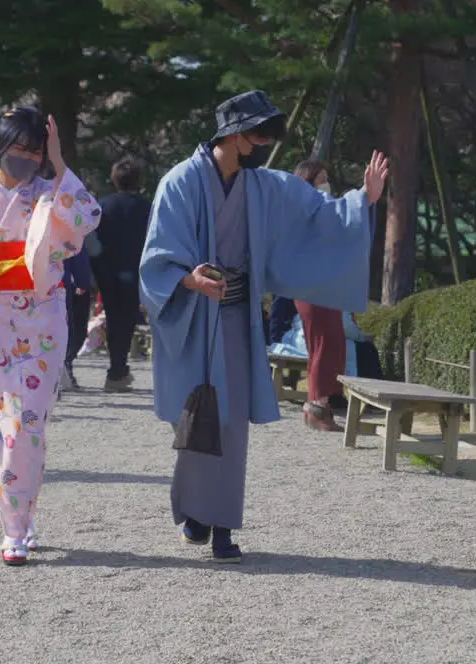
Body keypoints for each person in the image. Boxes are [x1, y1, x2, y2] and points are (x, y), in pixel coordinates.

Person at [140, 90, 387, 563]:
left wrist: (362, 200)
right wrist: (187, 278)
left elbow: (316, 213)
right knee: (196, 417)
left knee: (231, 425)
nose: (264, 145)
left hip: (235, 318)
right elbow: (156, 256)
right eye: (257, 135)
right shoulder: (180, 182)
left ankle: (224, 527)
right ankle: (196, 510)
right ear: (232, 136)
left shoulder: (263, 185)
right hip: (192, 319)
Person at [0, 106, 101, 566]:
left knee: (30, 425)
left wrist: (59, 160)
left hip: (44, 322)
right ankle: (15, 528)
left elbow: (87, 215)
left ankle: (22, 517)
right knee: (15, 429)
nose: (25, 156)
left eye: (34, 149)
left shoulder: (49, 194)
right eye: (18, 147)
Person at [290, 159, 351, 432]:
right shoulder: (303, 212)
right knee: (324, 344)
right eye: (321, 178)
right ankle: (317, 406)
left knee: (329, 343)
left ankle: (319, 404)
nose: (326, 183)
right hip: (312, 286)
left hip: (324, 285)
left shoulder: (319, 209)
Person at [89, 156, 152, 392]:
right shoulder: (147, 208)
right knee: (126, 320)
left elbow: (92, 240)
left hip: (107, 270)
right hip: (134, 270)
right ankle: (117, 370)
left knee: (113, 317)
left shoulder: (102, 206)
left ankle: (117, 369)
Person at [60, 249, 92, 392]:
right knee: (62, 329)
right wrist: (83, 280)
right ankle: (63, 368)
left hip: (19, 284)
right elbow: (76, 247)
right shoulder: (64, 226)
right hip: (58, 284)